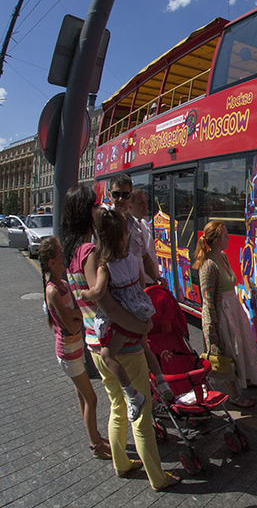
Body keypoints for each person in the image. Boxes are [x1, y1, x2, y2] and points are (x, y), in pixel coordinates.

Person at [61, 184, 181, 491]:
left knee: (118, 406)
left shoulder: (72, 252)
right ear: (84, 212)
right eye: (93, 206)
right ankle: (158, 477)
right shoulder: (93, 254)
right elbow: (108, 303)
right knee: (141, 415)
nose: (98, 209)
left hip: (94, 340)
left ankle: (122, 463)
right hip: (120, 340)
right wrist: (140, 328)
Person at [81, 207, 174, 421]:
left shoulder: (105, 267)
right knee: (145, 346)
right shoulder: (132, 257)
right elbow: (141, 282)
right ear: (124, 236)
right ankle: (162, 381)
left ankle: (133, 395)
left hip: (125, 318)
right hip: (142, 308)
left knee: (107, 355)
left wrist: (85, 294)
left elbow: (98, 292)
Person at [38, 236, 111, 460]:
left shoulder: (62, 284)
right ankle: (95, 445)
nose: (63, 255)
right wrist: (76, 316)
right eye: (59, 253)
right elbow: (71, 323)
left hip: (75, 347)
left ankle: (95, 436)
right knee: (92, 398)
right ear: (51, 261)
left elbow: (76, 314)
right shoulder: (52, 291)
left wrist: (76, 316)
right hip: (68, 351)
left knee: (82, 395)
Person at [193, 220, 257, 409]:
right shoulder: (207, 265)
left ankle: (246, 381)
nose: (228, 237)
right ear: (216, 240)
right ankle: (235, 396)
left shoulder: (222, 256)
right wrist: (210, 331)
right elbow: (207, 302)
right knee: (229, 353)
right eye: (225, 235)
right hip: (223, 313)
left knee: (243, 347)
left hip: (234, 309)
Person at [109, 175, 164, 287]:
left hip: (138, 291)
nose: (121, 199)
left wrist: (156, 279)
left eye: (125, 195)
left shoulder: (135, 224)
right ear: (109, 194)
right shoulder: (104, 222)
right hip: (117, 292)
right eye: (116, 194)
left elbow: (144, 257)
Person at [129, 188, 159, 287]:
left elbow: (149, 254)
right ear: (130, 206)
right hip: (139, 283)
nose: (145, 206)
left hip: (151, 281)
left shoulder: (145, 224)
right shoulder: (128, 227)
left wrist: (156, 278)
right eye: (140, 203)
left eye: (145, 202)